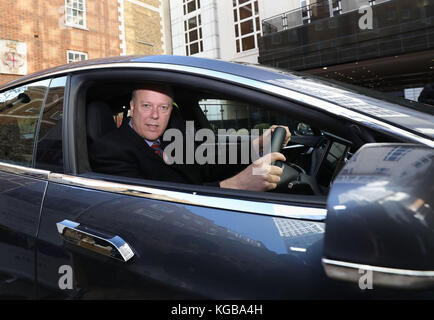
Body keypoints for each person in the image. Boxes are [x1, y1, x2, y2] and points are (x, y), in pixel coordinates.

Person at [89, 84, 291, 192]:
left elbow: (209, 160)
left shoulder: (172, 137)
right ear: (132, 108)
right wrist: (237, 185)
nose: (155, 115)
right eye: (147, 106)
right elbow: (152, 205)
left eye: (163, 107)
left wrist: (258, 144)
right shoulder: (109, 150)